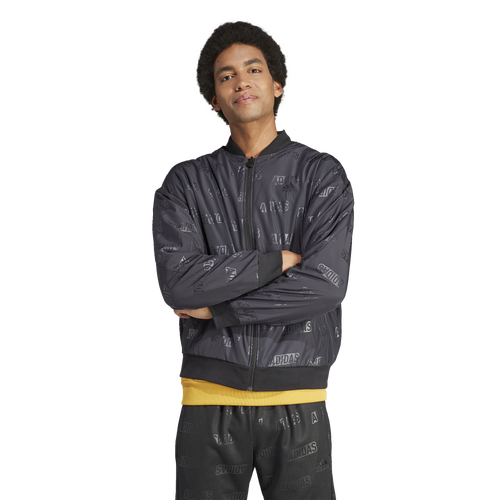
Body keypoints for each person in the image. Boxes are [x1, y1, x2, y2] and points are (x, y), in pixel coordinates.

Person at [151, 18, 356, 500]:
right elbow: (179, 285)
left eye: (253, 69)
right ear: (213, 98)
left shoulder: (321, 175)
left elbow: (325, 284)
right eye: (226, 76)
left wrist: (221, 308)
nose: (241, 81)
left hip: (299, 399)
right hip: (207, 402)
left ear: (276, 84)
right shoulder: (185, 183)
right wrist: (274, 262)